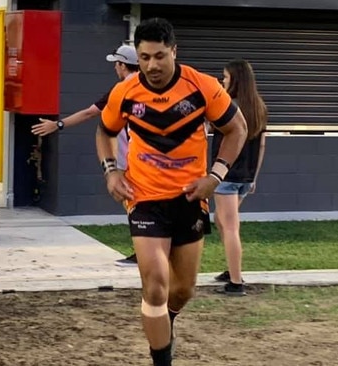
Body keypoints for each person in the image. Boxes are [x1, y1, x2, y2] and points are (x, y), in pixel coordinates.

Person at [96, 18, 247, 366]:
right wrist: (111, 171)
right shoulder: (126, 91)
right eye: (145, 57)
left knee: (182, 290)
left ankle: (164, 324)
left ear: (174, 52)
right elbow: (104, 132)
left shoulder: (203, 87)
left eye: (160, 56)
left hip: (190, 199)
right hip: (144, 199)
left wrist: (215, 176)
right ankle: (161, 357)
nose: (152, 65)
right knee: (156, 284)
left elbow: (237, 129)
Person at [31, 43, 140, 267]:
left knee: (134, 203)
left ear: (122, 65)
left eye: (116, 64)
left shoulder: (122, 89)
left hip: (130, 157)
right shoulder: (146, 86)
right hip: (142, 155)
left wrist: (57, 124)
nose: (115, 69)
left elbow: (90, 112)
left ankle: (142, 252)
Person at [212, 59, 268, 296]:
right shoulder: (259, 107)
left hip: (226, 175)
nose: (222, 81)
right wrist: (253, 178)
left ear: (234, 79)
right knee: (222, 222)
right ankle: (231, 269)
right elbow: (262, 144)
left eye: (225, 77)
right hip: (244, 177)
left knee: (230, 226)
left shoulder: (228, 107)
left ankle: (236, 282)